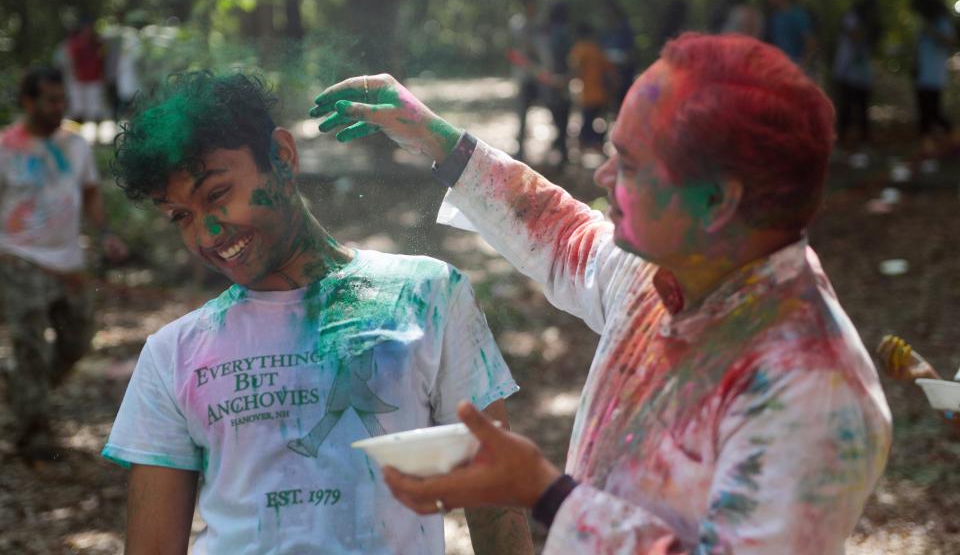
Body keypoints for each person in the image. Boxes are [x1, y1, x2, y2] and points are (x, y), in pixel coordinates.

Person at [311, 32, 892, 553]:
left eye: (632, 165)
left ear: (719, 202)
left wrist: (545, 494)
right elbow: (568, 238)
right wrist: (442, 142)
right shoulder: (671, 268)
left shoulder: (812, 390)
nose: (603, 176)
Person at [102, 72, 531, 554]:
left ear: (282, 157)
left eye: (217, 195)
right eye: (181, 216)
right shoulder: (174, 354)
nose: (207, 234)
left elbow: (495, 497)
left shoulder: (427, 295)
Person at [0, 66, 127, 461]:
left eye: (62, 99)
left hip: (68, 262)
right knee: (31, 345)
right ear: (28, 101)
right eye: (50, 100)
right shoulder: (6, 147)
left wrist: (104, 233)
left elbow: (90, 193)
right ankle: (33, 434)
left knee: (78, 339)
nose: (59, 107)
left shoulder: (75, 145)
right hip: (18, 259)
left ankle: (22, 388)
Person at [910, 0, 956, 155]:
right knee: (924, 112)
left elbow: (951, 42)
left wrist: (933, 32)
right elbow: (918, 46)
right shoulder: (923, 21)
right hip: (922, 74)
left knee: (935, 111)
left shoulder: (941, 21)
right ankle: (925, 147)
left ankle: (952, 139)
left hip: (935, 74)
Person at [833, 0, 881, 152]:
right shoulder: (852, 18)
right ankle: (841, 141)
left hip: (862, 73)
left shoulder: (871, 24)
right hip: (846, 71)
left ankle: (863, 141)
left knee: (862, 107)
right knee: (846, 108)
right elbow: (855, 35)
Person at [507, 0, 545, 162]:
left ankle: (561, 150)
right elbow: (514, 51)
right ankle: (520, 150)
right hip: (524, 76)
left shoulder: (543, 23)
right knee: (522, 114)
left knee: (554, 110)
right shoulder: (517, 24)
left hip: (544, 76)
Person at [569, 22, 616, 150]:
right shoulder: (597, 49)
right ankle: (598, 146)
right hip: (601, 94)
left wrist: (564, 80)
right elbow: (610, 71)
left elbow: (576, 71)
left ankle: (582, 152)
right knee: (600, 122)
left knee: (586, 125)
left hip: (588, 95)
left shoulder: (580, 49)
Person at [540, 0, 574, 165]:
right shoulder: (565, 32)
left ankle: (561, 148)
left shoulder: (547, 32)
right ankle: (562, 150)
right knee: (563, 115)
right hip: (563, 78)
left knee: (557, 113)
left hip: (550, 79)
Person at [766, 0, 816, 70]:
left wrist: (802, 67)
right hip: (780, 69)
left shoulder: (798, 14)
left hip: (795, 70)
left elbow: (812, 43)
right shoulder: (775, 16)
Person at [66, 18, 107, 124]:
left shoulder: (97, 42)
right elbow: (72, 60)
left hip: (94, 78)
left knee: (95, 108)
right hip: (79, 78)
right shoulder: (75, 42)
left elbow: (102, 59)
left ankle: (96, 134)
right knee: (78, 109)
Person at [600, 0, 637, 111]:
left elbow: (631, 55)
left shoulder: (625, 30)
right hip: (608, 79)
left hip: (624, 77)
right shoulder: (605, 32)